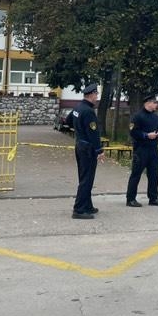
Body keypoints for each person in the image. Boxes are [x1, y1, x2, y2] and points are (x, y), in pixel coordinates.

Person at [69, 83, 105, 219]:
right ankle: (78, 209)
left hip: (79, 146)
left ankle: (87, 205)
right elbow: (93, 134)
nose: (97, 97)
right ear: (91, 95)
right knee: (87, 179)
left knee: (84, 177)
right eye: (96, 94)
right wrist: (99, 151)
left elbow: (68, 121)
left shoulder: (78, 107)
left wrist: (79, 131)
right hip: (88, 149)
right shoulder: (89, 111)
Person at [126, 94, 158, 208]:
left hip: (153, 149)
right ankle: (131, 199)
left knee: (154, 174)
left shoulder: (155, 117)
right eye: (155, 102)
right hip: (141, 149)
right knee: (136, 174)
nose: (156, 104)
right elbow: (133, 132)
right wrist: (146, 135)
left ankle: (153, 198)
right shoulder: (138, 116)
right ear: (148, 103)